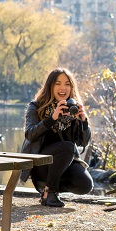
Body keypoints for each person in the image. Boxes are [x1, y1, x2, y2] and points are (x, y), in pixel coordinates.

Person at [20, 68, 93, 207]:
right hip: (40, 164)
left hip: (63, 164)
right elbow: (30, 134)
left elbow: (83, 143)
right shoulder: (36, 106)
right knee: (67, 147)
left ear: (71, 88)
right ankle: (49, 192)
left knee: (85, 185)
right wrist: (52, 118)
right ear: (50, 86)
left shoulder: (73, 108)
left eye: (67, 84)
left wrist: (84, 122)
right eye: (58, 83)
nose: (63, 88)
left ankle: (50, 189)